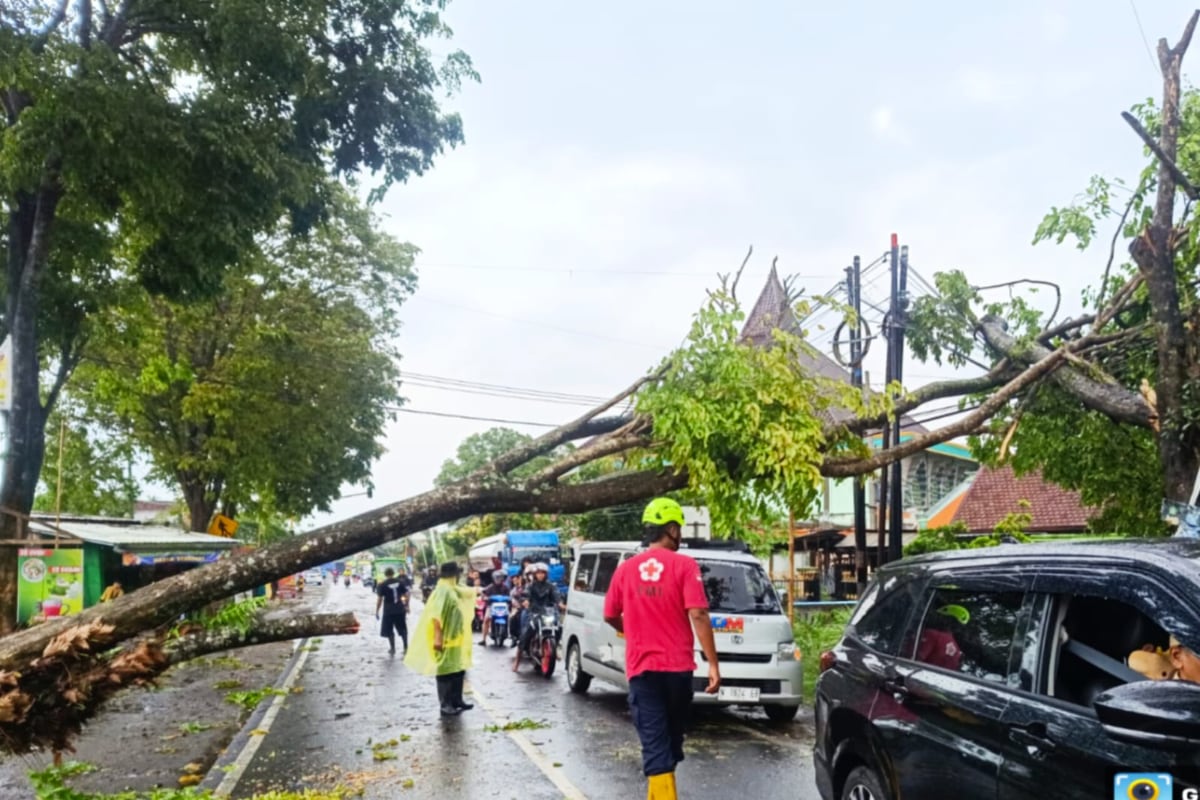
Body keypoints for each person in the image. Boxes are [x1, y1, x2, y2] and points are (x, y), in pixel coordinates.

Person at [603, 498, 720, 800]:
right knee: (666, 744)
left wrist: (630, 629)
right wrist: (713, 663)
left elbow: (609, 613)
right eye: (679, 528)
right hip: (678, 670)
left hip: (643, 671)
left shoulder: (626, 569)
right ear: (671, 529)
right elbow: (698, 614)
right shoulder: (685, 566)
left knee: (660, 746)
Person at [405, 561, 476, 716]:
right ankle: (445, 704)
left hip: (455, 637)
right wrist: (438, 637)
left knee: (458, 669)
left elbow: (466, 592)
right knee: (445, 671)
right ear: (453, 574)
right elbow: (436, 616)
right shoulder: (442, 591)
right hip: (445, 638)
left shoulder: (452, 588)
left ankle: (457, 700)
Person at [512, 562, 563, 671]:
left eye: (542, 573)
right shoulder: (530, 586)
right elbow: (525, 595)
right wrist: (525, 601)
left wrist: (561, 604)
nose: (540, 575)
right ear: (535, 574)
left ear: (546, 574)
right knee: (525, 634)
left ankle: (555, 648)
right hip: (534, 612)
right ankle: (517, 661)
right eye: (538, 573)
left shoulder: (551, 586)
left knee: (559, 627)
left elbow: (557, 597)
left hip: (548, 612)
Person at [375, 567, 411, 656]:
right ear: (393, 573)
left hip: (388, 611)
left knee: (389, 630)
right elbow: (406, 595)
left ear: (385, 574)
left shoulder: (382, 585)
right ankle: (406, 647)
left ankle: (392, 648)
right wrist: (406, 606)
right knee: (403, 628)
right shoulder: (400, 582)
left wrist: (377, 610)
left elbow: (380, 599)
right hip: (400, 609)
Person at [479, 569, 510, 645]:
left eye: (500, 578)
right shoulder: (490, 587)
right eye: (497, 578)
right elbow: (483, 593)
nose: (498, 580)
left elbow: (510, 597)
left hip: (503, 607)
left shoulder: (506, 588)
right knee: (486, 619)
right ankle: (483, 639)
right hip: (491, 606)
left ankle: (509, 634)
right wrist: (485, 597)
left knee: (510, 618)